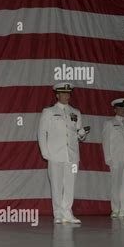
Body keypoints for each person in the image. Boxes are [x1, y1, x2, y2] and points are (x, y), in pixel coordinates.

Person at [38, 82, 88, 224]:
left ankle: (68, 212)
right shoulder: (49, 112)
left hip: (72, 155)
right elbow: (42, 132)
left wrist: (82, 134)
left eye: (68, 93)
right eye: (64, 93)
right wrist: (45, 152)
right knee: (56, 184)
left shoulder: (75, 112)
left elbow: (79, 134)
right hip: (55, 154)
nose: (67, 96)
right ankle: (58, 213)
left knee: (70, 184)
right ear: (57, 95)